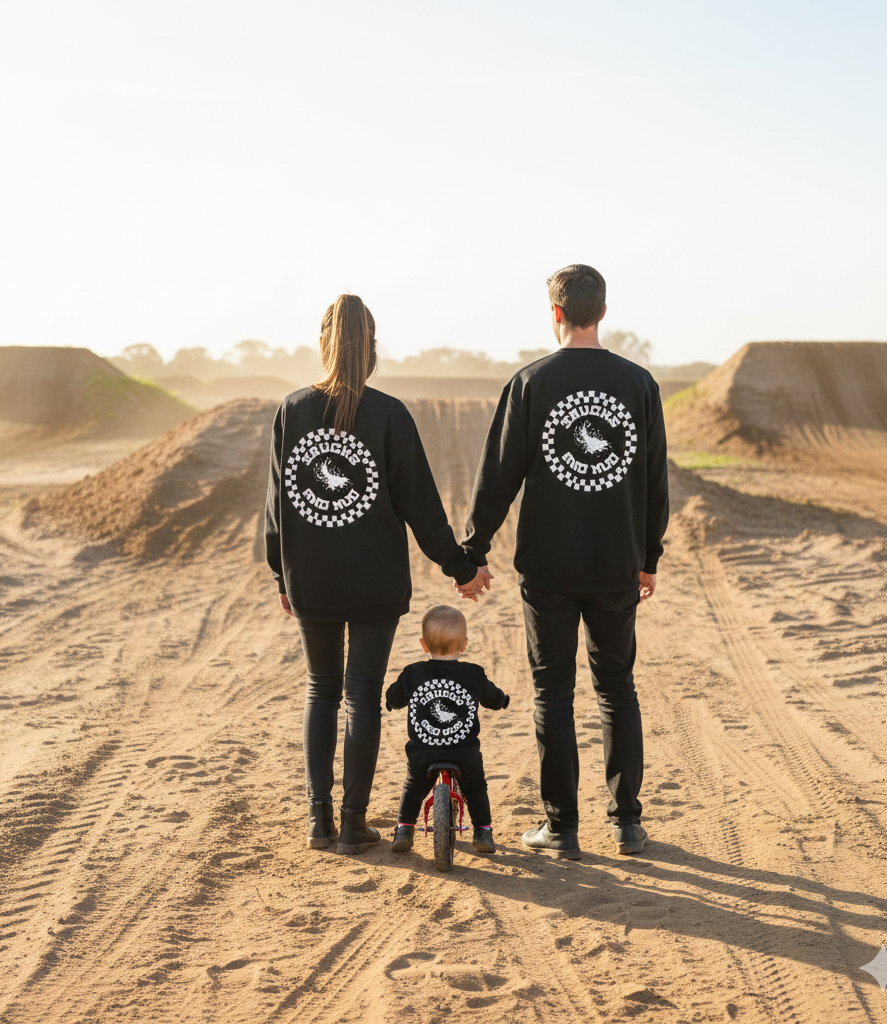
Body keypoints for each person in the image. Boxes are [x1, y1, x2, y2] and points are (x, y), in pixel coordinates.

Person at [265, 294, 491, 855]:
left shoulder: (292, 410)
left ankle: (319, 823)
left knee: (322, 691)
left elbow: (277, 506)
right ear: (371, 349)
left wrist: (282, 576)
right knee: (361, 696)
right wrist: (461, 567)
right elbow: (421, 506)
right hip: (374, 581)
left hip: (312, 578)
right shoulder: (389, 414)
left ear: (324, 344)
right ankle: (351, 824)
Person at [456, 264, 669, 859]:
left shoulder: (530, 383)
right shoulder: (639, 384)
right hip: (615, 567)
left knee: (553, 692)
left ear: (554, 313)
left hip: (547, 569)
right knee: (617, 690)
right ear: (603, 312)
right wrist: (647, 555)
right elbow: (655, 480)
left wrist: (473, 554)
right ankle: (627, 824)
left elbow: (496, 477)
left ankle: (562, 827)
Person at [385, 605, 509, 855]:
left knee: (412, 787)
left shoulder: (413, 673)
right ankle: (483, 830)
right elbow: (492, 698)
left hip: (423, 752)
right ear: (464, 645)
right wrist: (502, 700)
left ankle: (404, 829)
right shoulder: (473, 673)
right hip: (464, 753)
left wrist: (391, 701)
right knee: (475, 788)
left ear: (423, 644)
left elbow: (394, 697)